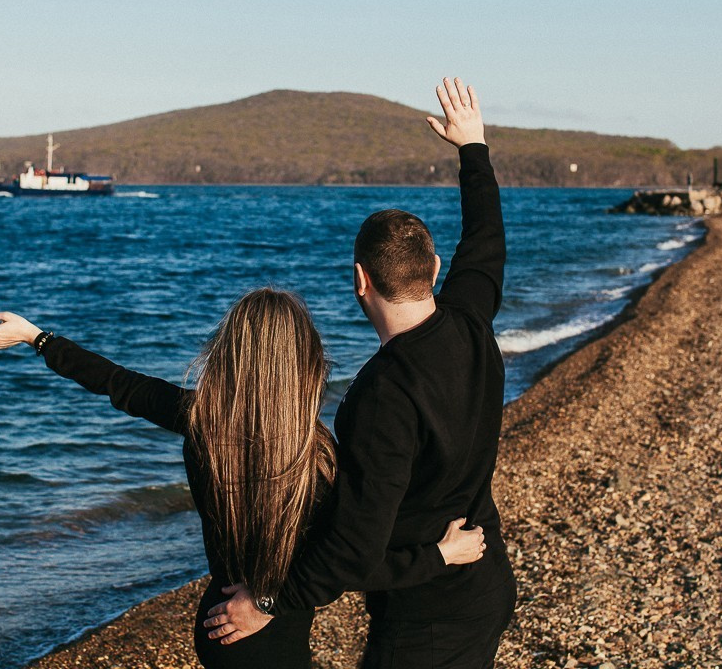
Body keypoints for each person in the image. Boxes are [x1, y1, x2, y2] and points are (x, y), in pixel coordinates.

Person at [0, 288, 485, 669]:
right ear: (303, 361)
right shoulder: (316, 458)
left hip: (219, 624)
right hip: (265, 636)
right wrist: (441, 554)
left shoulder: (202, 420)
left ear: (231, 354)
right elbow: (350, 565)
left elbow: (116, 382)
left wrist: (36, 337)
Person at [204, 78, 517, 668]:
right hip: (487, 582)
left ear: (359, 281)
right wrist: (472, 147)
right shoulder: (472, 320)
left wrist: (267, 600)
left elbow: (352, 551)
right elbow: (487, 238)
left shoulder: (381, 396)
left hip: (425, 617)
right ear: (435, 268)